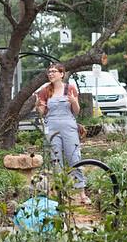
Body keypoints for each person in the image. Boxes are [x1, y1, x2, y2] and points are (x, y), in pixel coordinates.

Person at [34, 63, 88, 199]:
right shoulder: (45, 90)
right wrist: (38, 106)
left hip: (69, 126)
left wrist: (74, 102)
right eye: (49, 71)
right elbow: (42, 113)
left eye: (54, 71)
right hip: (51, 127)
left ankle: (81, 193)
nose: (51, 74)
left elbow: (76, 111)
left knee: (74, 157)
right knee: (55, 159)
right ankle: (61, 193)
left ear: (62, 74)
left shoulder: (70, 89)